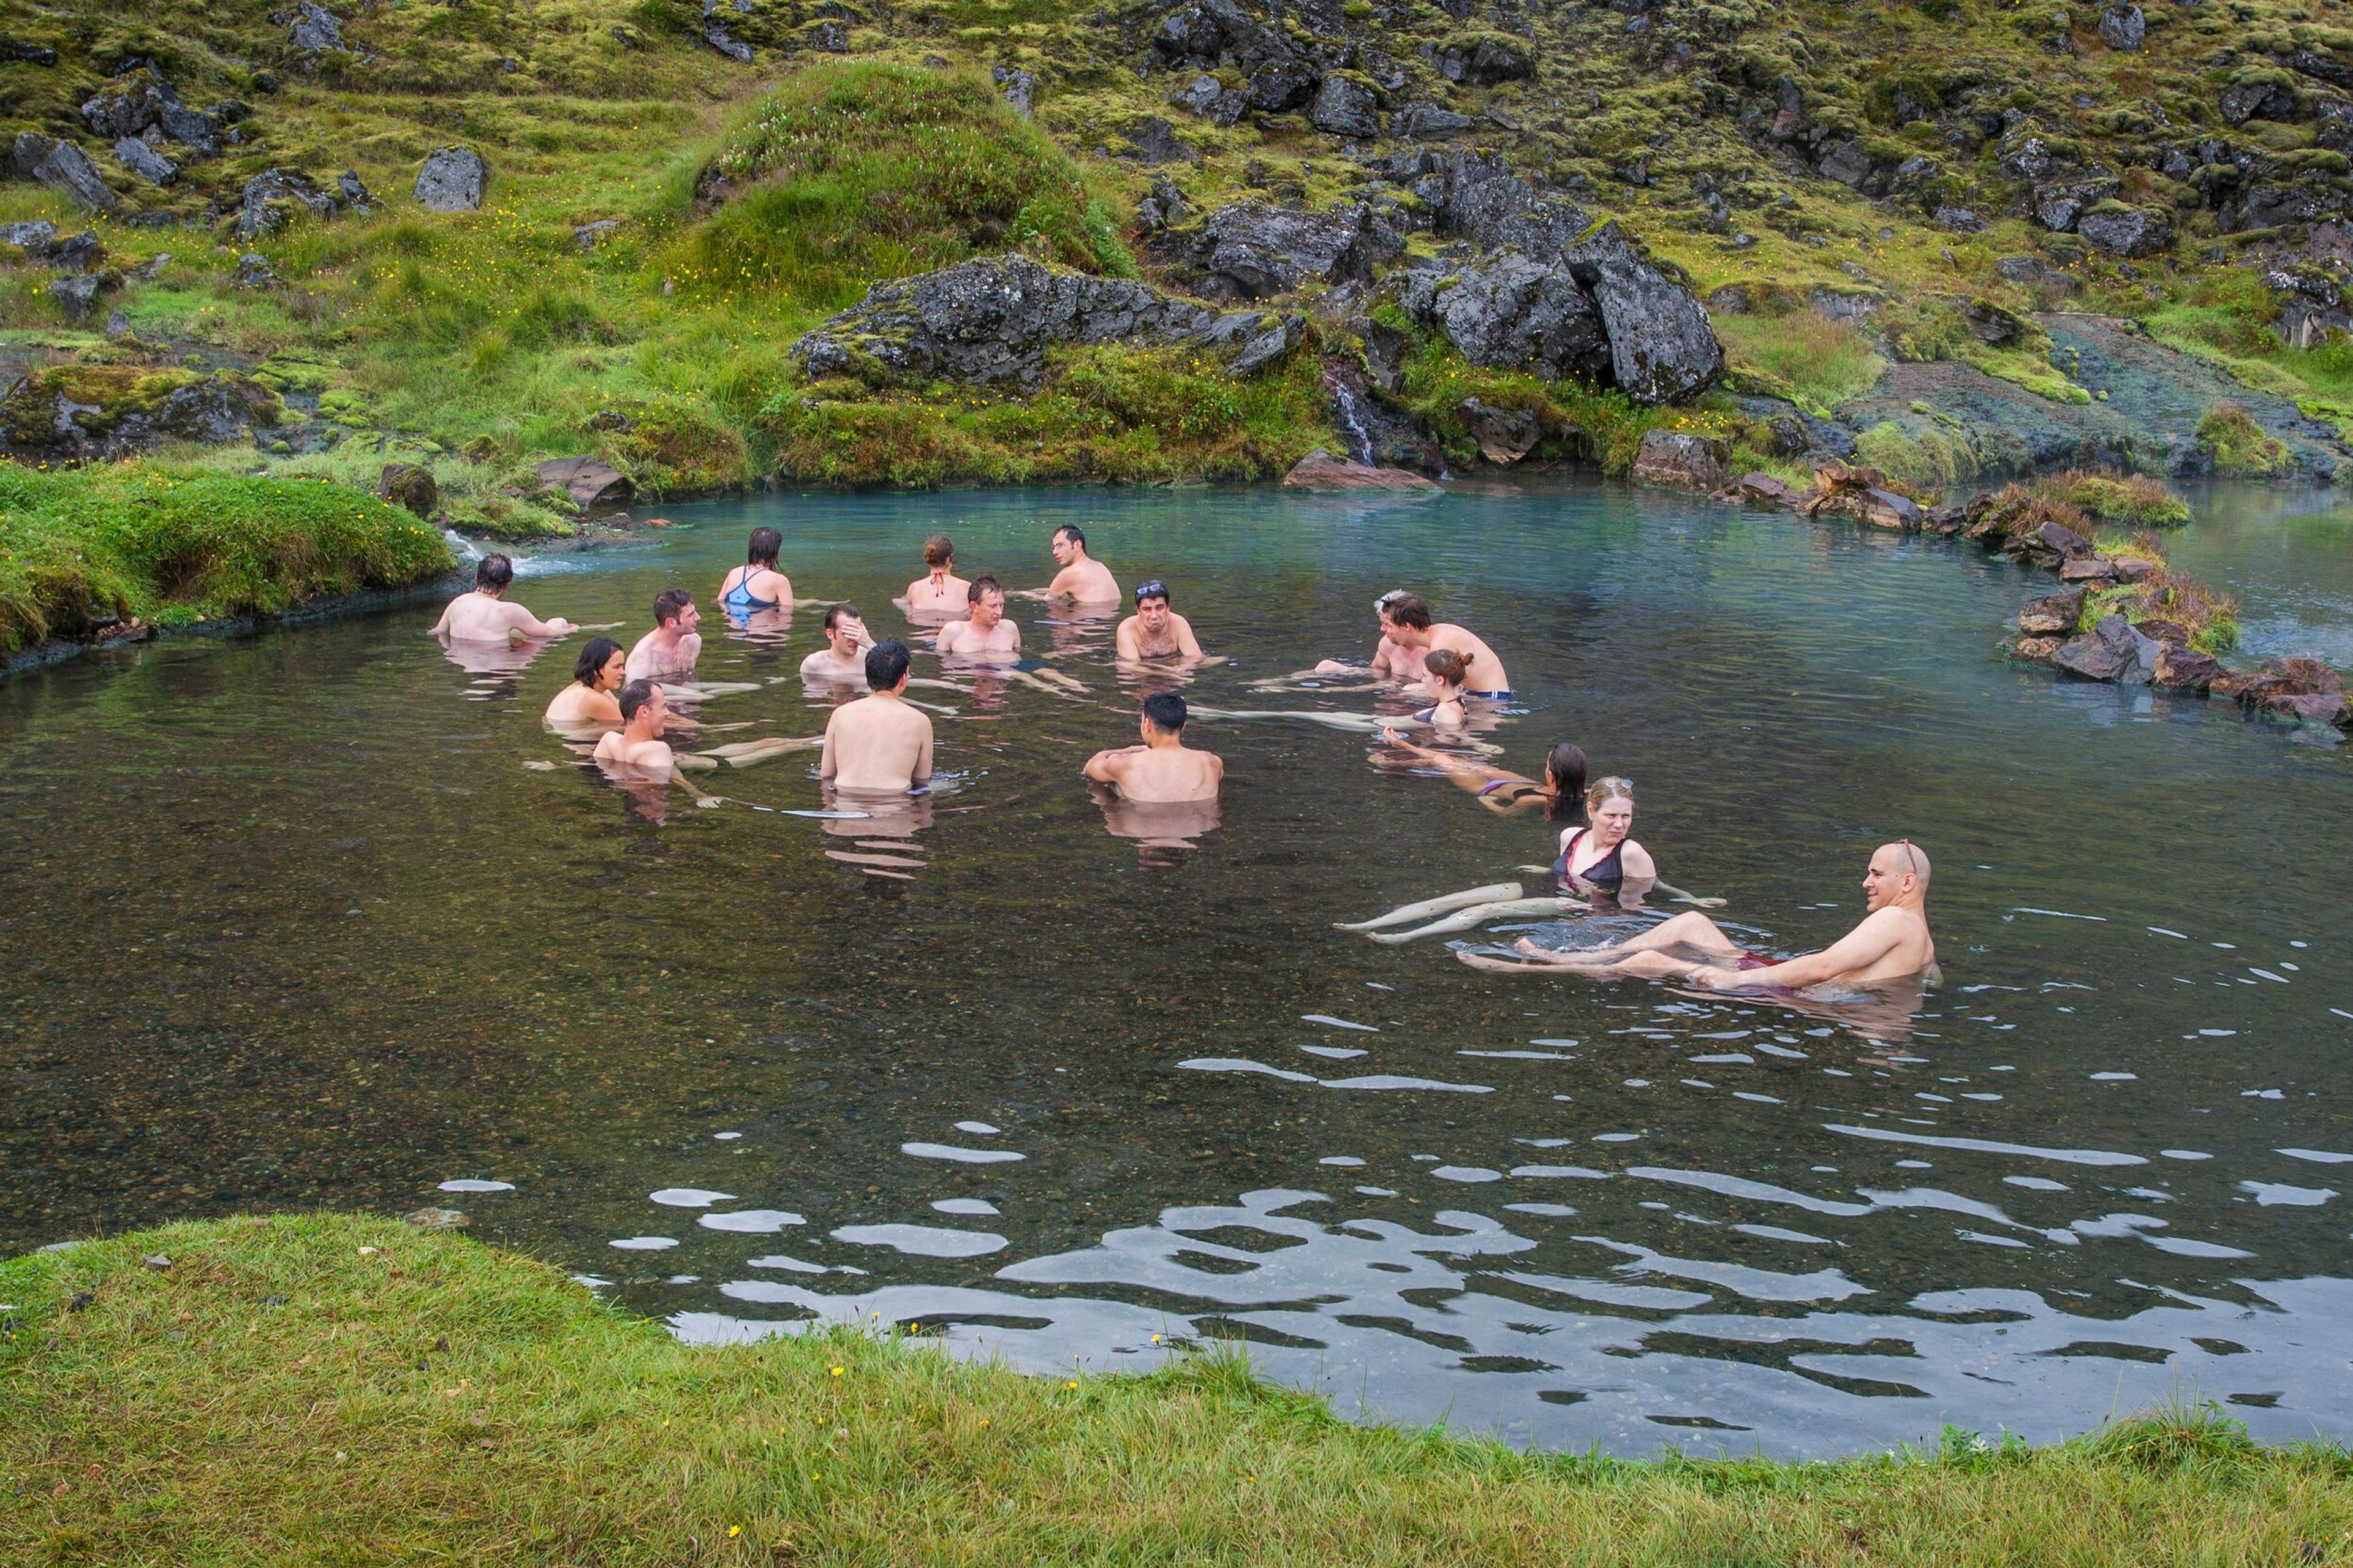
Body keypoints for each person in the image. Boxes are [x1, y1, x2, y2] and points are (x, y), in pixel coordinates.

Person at [1464, 841, 1940, 991]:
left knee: (1655, 960)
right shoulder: (1920, 933)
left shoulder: (1894, 921)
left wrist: (1734, 981)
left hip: (1793, 990)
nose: (1866, 881)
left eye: (1876, 874)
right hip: (1786, 977)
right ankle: (1594, 953)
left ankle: (1538, 964)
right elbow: (1927, 979)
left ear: (1907, 882)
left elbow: (1823, 967)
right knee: (1692, 922)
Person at [1339, 776, 1718, 943]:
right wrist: (1543, 870)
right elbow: (1568, 866)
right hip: (1548, 884)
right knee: (1455, 898)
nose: (1620, 824)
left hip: (1575, 904)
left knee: (1485, 912)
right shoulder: (1572, 836)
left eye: (1626, 817)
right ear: (1591, 811)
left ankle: (1404, 938)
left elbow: (1649, 890)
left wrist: (1692, 901)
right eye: (1611, 816)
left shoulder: (1631, 852)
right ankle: (1369, 923)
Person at [820, 638, 934, 793]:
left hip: (847, 808)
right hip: (896, 807)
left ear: (867, 674)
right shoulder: (920, 721)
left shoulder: (840, 715)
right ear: (903, 678)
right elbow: (922, 781)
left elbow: (827, 775)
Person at [1379, 733, 1588, 817]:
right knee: (1453, 759)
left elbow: (1506, 813)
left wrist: (1489, 804)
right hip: (1509, 779)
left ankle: (1393, 758)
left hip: (1488, 788)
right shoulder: (1586, 792)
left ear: (1550, 776)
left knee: (1441, 761)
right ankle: (1401, 746)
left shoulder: (1532, 798)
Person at [1084, 691, 1224, 803]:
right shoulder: (1212, 762)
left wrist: (1129, 750)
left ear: (1147, 725)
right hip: (1199, 830)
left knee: (1110, 787)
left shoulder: (1124, 764)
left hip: (1141, 828)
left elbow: (1089, 768)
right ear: (1184, 727)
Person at [1377, 593, 1510, 695]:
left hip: (1489, 699)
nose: (1385, 630)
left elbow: (1436, 689)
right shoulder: (1439, 632)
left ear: (1407, 626)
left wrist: (1395, 689)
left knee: (1407, 694)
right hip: (1477, 695)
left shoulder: (1441, 643)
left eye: (1389, 625)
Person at [431, 555, 575, 643]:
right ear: (507, 584)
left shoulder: (458, 602)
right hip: (500, 665)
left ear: (476, 577)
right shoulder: (510, 611)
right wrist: (573, 630)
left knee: (515, 632)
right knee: (559, 622)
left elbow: (439, 632)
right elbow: (548, 635)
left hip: (461, 661)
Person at [593, 680, 676, 773]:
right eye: (663, 707)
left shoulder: (608, 742)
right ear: (644, 712)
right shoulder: (658, 750)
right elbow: (658, 786)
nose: (667, 713)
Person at [1115, 580, 1207, 661]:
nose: (1154, 616)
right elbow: (1131, 667)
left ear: (1168, 609)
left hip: (1173, 675)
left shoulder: (1179, 624)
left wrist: (1179, 670)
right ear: (1138, 611)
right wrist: (1170, 672)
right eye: (1147, 609)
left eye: (1159, 608)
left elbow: (1195, 659)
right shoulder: (1127, 629)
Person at [545, 637, 626, 728]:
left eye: (622, 666)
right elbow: (627, 727)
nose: (623, 672)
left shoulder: (588, 688)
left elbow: (621, 709)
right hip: (572, 740)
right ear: (596, 670)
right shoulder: (594, 699)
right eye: (617, 667)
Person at [935, 575, 1021, 658]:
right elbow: (941, 664)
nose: (999, 612)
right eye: (993, 606)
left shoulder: (1009, 629)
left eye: (1001, 605)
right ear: (974, 606)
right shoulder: (953, 632)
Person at [626, 588, 702, 680]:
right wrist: (689, 693)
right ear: (671, 623)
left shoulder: (692, 642)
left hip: (683, 692)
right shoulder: (644, 655)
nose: (698, 618)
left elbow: (690, 680)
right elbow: (632, 691)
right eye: (691, 615)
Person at [1038, 524, 1120, 604]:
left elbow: (1047, 601)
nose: (1055, 552)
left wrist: (1027, 595)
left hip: (1087, 615)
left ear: (1077, 545)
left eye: (1060, 545)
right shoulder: (1100, 566)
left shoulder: (1068, 574)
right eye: (1053, 547)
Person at [718, 528, 794, 616]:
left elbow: (720, 601)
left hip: (734, 628)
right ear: (775, 552)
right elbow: (786, 613)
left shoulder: (734, 572)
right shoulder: (779, 580)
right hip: (764, 629)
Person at [800, 603, 873, 684]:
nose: (854, 639)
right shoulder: (815, 664)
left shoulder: (870, 656)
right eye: (847, 633)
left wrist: (869, 643)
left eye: (857, 633)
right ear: (830, 634)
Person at [903, 534, 971, 616]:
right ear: (950, 558)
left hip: (923, 624)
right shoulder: (967, 587)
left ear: (927, 558)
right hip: (956, 625)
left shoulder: (914, 588)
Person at [1417, 649, 1471, 729]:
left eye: (1425, 676)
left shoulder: (1445, 711)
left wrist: (1399, 742)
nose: (1423, 680)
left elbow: (1450, 740)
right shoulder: (1459, 702)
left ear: (1440, 680)